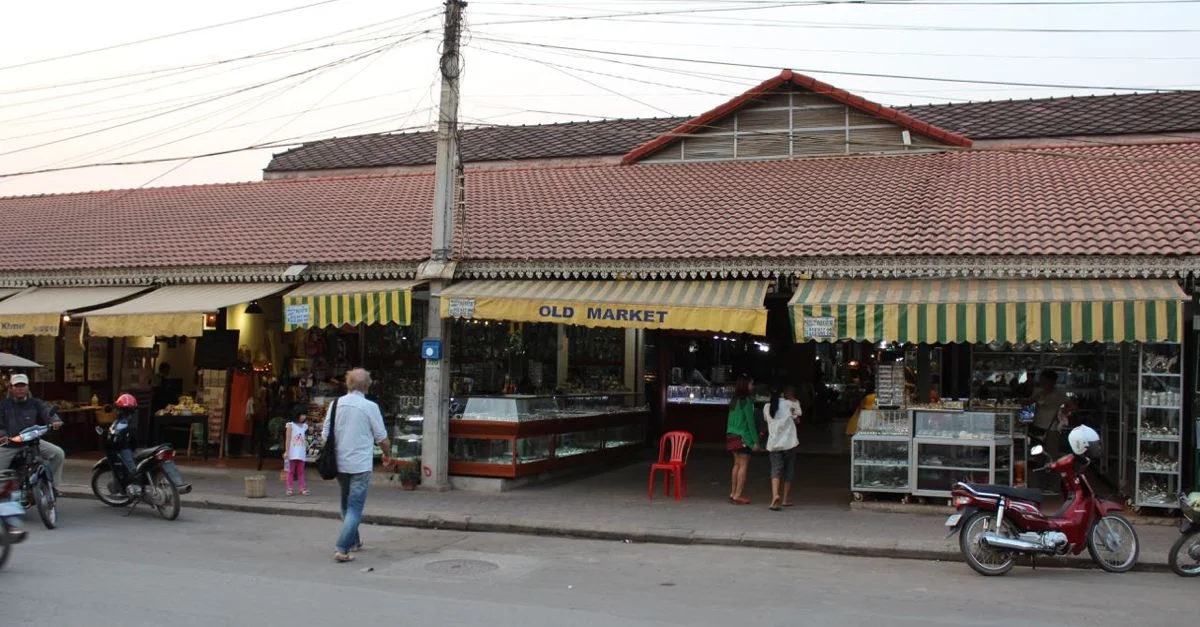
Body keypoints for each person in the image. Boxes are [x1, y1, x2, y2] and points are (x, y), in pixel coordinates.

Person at [322, 368, 391, 563]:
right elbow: (382, 438)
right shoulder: (370, 407)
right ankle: (342, 548)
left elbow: (325, 434)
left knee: (346, 503)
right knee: (355, 507)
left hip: (340, 463)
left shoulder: (336, 404)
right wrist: (387, 455)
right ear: (367, 385)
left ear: (348, 384)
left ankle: (354, 541)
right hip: (360, 464)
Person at [0, 373, 65, 494]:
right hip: (10, 444)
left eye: (23, 386)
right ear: (11, 388)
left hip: (32, 442)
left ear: (28, 387)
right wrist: (2, 435)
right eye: (17, 386)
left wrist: (55, 421)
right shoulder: (4, 405)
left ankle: (49, 485)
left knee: (58, 454)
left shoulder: (36, 403)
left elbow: (47, 412)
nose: (20, 389)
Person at [1026, 369, 1074, 494]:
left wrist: (1063, 412)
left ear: (1051, 381)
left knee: (1051, 457)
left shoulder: (1059, 394)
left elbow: (1073, 405)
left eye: (1043, 380)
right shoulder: (1040, 393)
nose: (1041, 382)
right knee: (1038, 458)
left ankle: (1053, 486)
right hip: (1037, 428)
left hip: (1051, 430)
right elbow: (1029, 401)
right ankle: (1040, 485)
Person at [763, 385, 801, 511]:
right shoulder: (789, 404)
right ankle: (785, 499)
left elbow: (766, 420)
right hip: (789, 443)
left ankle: (775, 496)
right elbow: (798, 416)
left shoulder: (767, 407)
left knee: (775, 470)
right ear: (782, 394)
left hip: (774, 444)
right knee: (789, 469)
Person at [725, 374, 759, 505]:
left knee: (736, 464)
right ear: (746, 385)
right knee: (743, 465)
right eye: (751, 384)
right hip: (743, 436)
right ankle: (738, 495)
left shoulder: (734, 400)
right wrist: (755, 441)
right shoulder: (747, 401)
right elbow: (750, 423)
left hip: (731, 435)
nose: (752, 386)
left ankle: (733, 493)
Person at [283, 410, 310, 497]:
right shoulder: (290, 425)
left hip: (301, 452)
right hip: (292, 452)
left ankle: (302, 488)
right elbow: (287, 439)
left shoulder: (305, 426)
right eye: (302, 414)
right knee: (291, 471)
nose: (303, 417)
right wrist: (287, 451)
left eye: (304, 415)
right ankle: (289, 488)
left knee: (301, 471)